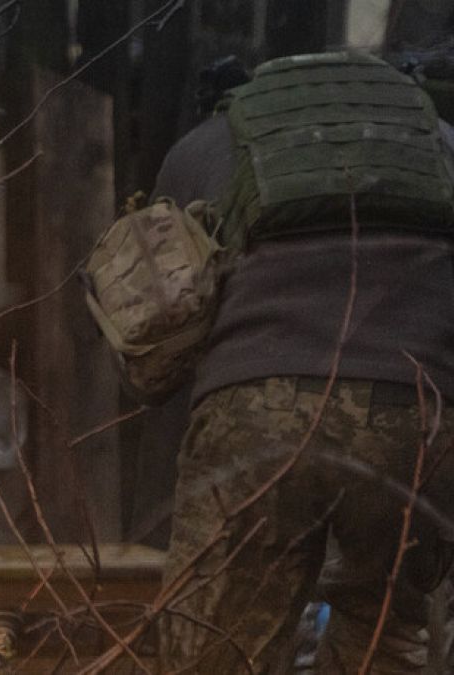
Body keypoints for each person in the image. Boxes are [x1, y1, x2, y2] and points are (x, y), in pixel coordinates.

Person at [153, 51, 454, 672]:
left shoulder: (203, 145)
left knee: (221, 648)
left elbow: (154, 319)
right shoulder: (445, 144)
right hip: (419, 410)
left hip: (257, 409)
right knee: (390, 641)